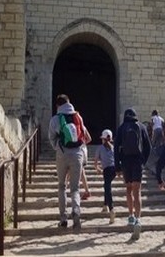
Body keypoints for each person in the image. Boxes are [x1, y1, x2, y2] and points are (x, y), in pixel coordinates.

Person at [48, 94, 91, 230]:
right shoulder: (78, 117)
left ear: (58, 105)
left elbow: (51, 137)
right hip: (77, 153)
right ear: (69, 103)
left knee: (62, 186)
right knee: (75, 188)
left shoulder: (55, 119)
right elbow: (84, 135)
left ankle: (63, 218)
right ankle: (76, 211)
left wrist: (58, 148)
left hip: (62, 153)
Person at [114, 108, 151, 240]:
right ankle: (138, 218)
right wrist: (143, 161)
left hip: (125, 161)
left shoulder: (121, 127)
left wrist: (117, 166)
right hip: (137, 161)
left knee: (128, 189)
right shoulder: (141, 126)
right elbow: (148, 146)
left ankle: (130, 215)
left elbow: (116, 147)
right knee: (137, 190)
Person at [93, 129, 116, 224]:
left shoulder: (100, 148)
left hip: (107, 170)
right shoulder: (113, 147)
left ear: (103, 139)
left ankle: (111, 209)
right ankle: (105, 205)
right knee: (106, 185)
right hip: (114, 169)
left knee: (107, 188)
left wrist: (97, 168)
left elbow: (95, 161)